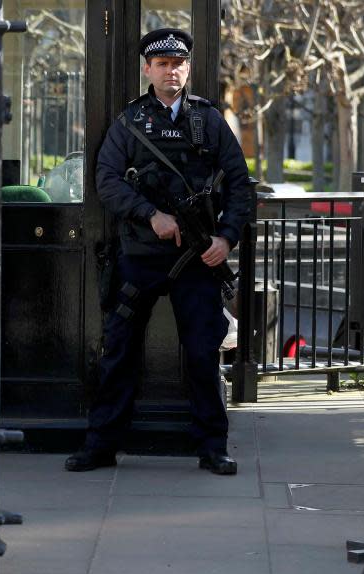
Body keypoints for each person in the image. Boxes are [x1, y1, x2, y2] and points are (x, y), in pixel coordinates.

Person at [65, 28, 251, 476]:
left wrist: (225, 238)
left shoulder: (209, 121)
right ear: (147, 69)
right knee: (119, 351)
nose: (172, 70)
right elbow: (106, 180)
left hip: (198, 259)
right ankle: (101, 445)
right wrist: (150, 215)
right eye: (163, 64)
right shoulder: (130, 123)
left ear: (188, 67)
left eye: (179, 63)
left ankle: (212, 447)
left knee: (204, 354)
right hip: (142, 255)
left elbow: (241, 185)